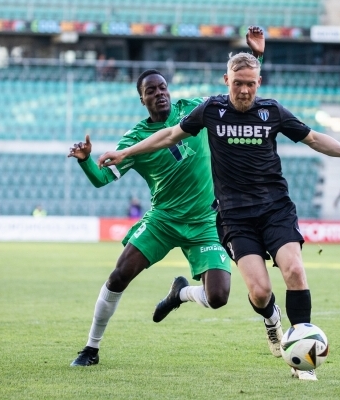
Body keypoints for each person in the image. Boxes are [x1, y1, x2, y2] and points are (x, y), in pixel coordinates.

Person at [98, 52, 340, 380]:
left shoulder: (272, 111)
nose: (244, 91)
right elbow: (170, 135)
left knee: (295, 271)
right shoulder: (212, 110)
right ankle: (271, 324)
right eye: (238, 83)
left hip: (275, 209)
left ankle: (302, 355)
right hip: (234, 217)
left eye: (251, 84)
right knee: (259, 292)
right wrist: (126, 152)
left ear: (259, 83)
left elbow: (313, 138)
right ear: (227, 81)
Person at [66, 27, 265, 368]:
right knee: (119, 275)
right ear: (141, 99)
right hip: (164, 219)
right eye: (151, 91)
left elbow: (237, 92)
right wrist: (86, 162)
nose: (159, 93)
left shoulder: (193, 111)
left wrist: (255, 57)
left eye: (162, 87)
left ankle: (180, 294)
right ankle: (90, 347)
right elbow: (101, 180)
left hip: (206, 220)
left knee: (218, 297)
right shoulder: (136, 139)